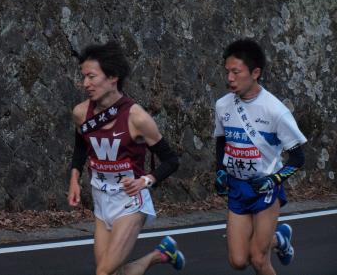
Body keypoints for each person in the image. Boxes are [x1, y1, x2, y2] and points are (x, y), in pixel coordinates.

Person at [67, 41, 185, 275]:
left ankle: (159, 253)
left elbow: (172, 160)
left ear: (113, 77)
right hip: (101, 199)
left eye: (91, 77)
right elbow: (81, 146)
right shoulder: (81, 113)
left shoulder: (137, 118)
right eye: (84, 77)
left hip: (130, 202)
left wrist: (145, 181)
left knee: (103, 273)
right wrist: (74, 178)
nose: (85, 84)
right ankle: (160, 254)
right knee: (113, 273)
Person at [213, 39, 307, 275]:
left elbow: (298, 158)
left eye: (236, 72)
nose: (230, 78)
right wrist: (220, 170)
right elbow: (221, 141)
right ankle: (280, 238)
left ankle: (272, 243)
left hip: (265, 191)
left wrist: (273, 180)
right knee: (238, 261)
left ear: (255, 73)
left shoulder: (275, 111)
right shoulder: (223, 105)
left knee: (258, 258)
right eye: (227, 72)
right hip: (237, 189)